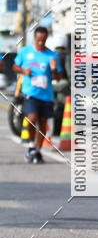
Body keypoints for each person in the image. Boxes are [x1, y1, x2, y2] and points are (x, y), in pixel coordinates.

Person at [13, 26, 61, 164]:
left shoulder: (52, 56)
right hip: (30, 94)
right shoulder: (25, 51)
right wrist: (23, 70)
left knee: (43, 123)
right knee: (32, 118)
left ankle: (37, 151)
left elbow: (58, 77)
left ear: (46, 39)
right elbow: (14, 67)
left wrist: (53, 69)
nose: (41, 42)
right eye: (39, 40)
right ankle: (31, 145)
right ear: (35, 38)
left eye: (43, 40)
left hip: (46, 96)